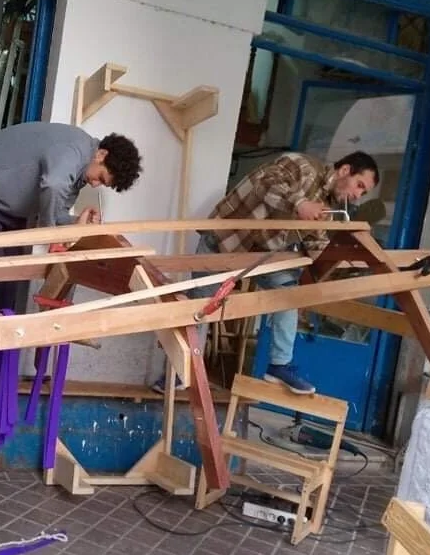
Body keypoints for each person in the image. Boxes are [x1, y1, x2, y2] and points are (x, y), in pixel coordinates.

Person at [150, 150, 379, 395]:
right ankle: (177, 373)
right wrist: (300, 204)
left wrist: (345, 259)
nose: (358, 196)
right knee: (203, 306)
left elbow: (316, 246)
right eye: (359, 185)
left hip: (261, 254)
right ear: (344, 170)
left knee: (289, 295)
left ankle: (279, 365)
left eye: (363, 193)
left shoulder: (329, 209)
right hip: (226, 241)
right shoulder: (303, 167)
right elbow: (266, 185)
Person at [0, 121, 143, 311]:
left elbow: (55, 213)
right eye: (100, 178)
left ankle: (0, 326)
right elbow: (53, 184)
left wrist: (77, 222)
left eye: (102, 184)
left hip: (7, 209)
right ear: (101, 155)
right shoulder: (75, 148)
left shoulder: (78, 175)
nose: (94, 185)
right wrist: (51, 236)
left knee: (12, 274)